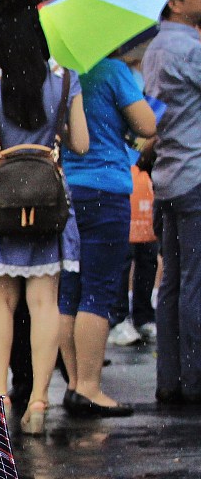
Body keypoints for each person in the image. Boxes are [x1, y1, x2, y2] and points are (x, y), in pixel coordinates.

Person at [0, 0, 88, 435]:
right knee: (44, 303)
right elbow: (81, 143)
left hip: (2, 203)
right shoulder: (65, 80)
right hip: (50, 204)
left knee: (0, 301)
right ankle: (38, 402)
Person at [59, 51, 156, 419]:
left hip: (67, 189)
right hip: (106, 189)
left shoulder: (61, 72)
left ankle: (72, 384)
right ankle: (89, 387)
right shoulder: (110, 70)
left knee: (69, 291)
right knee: (98, 291)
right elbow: (147, 125)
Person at [142, 0, 201, 406]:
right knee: (194, 283)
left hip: (167, 177)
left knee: (172, 283)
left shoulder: (153, 50)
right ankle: (195, 379)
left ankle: (169, 378)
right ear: (176, 3)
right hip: (195, 174)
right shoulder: (191, 49)